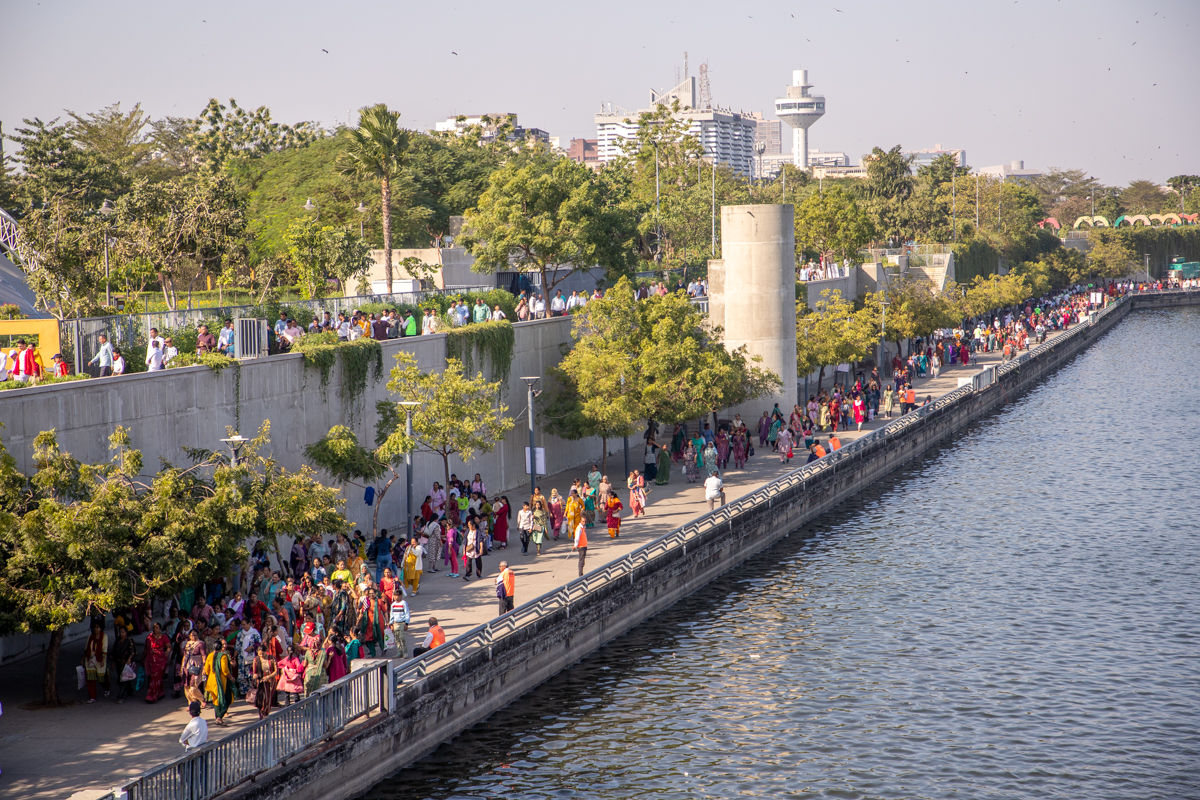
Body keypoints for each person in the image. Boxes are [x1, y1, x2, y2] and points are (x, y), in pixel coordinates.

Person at [143, 622, 172, 703]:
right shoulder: (149, 637)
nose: (155, 629)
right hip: (151, 660)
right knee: (152, 677)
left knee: (157, 677)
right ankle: (158, 693)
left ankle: (153, 695)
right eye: (154, 627)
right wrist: (143, 658)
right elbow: (146, 648)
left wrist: (167, 652)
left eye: (157, 627)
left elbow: (169, 646)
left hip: (160, 660)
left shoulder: (164, 637)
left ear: (160, 629)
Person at [81, 622, 109, 703]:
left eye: (97, 627)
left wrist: (103, 660)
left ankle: (106, 689)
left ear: (100, 628)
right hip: (90, 660)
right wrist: (83, 659)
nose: (96, 629)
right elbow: (86, 649)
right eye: (95, 627)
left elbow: (104, 649)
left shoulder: (104, 636)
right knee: (91, 679)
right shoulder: (90, 637)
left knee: (101, 678)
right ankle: (92, 697)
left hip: (99, 660)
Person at [251, 644, 278, 719]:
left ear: (266, 651)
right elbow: (254, 672)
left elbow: (276, 671)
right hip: (261, 681)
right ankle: (262, 713)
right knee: (262, 698)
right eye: (259, 654)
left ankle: (266, 712)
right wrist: (255, 676)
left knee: (268, 698)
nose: (261, 655)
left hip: (270, 681)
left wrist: (268, 677)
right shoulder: (256, 659)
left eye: (263, 653)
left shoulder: (272, 658)